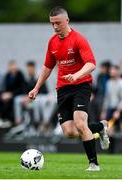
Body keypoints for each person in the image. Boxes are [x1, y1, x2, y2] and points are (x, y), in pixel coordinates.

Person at [29, 7, 110, 171]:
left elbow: (91, 63)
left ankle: (94, 164)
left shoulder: (79, 39)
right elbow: (47, 67)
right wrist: (36, 88)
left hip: (82, 85)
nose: (55, 27)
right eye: (52, 24)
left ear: (67, 21)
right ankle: (100, 127)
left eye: (58, 23)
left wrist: (77, 75)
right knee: (70, 132)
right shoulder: (52, 42)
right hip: (63, 89)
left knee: (80, 123)